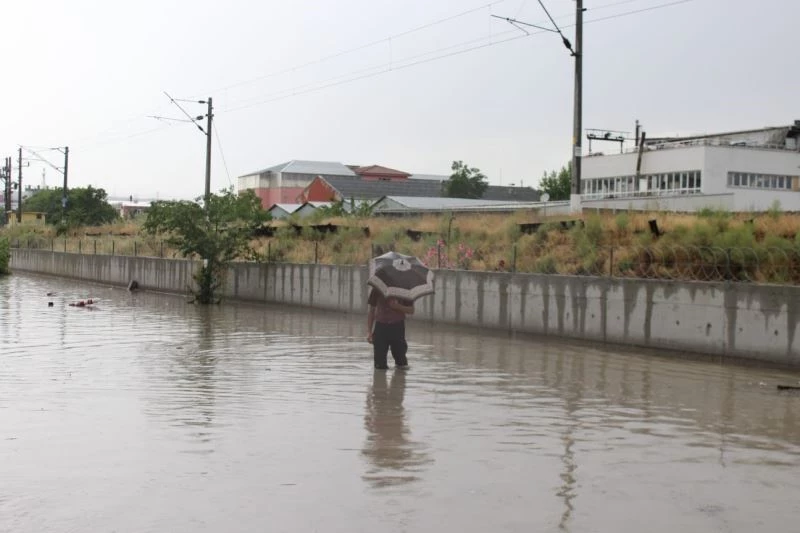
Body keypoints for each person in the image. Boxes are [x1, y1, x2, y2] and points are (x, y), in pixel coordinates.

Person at [367, 288, 414, 370]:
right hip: (381, 327)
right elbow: (371, 311)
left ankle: (400, 377)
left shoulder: (404, 289)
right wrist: (369, 332)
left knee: (401, 361)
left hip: (397, 327)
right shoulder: (377, 288)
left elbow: (411, 310)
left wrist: (397, 306)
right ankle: (380, 378)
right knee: (379, 364)